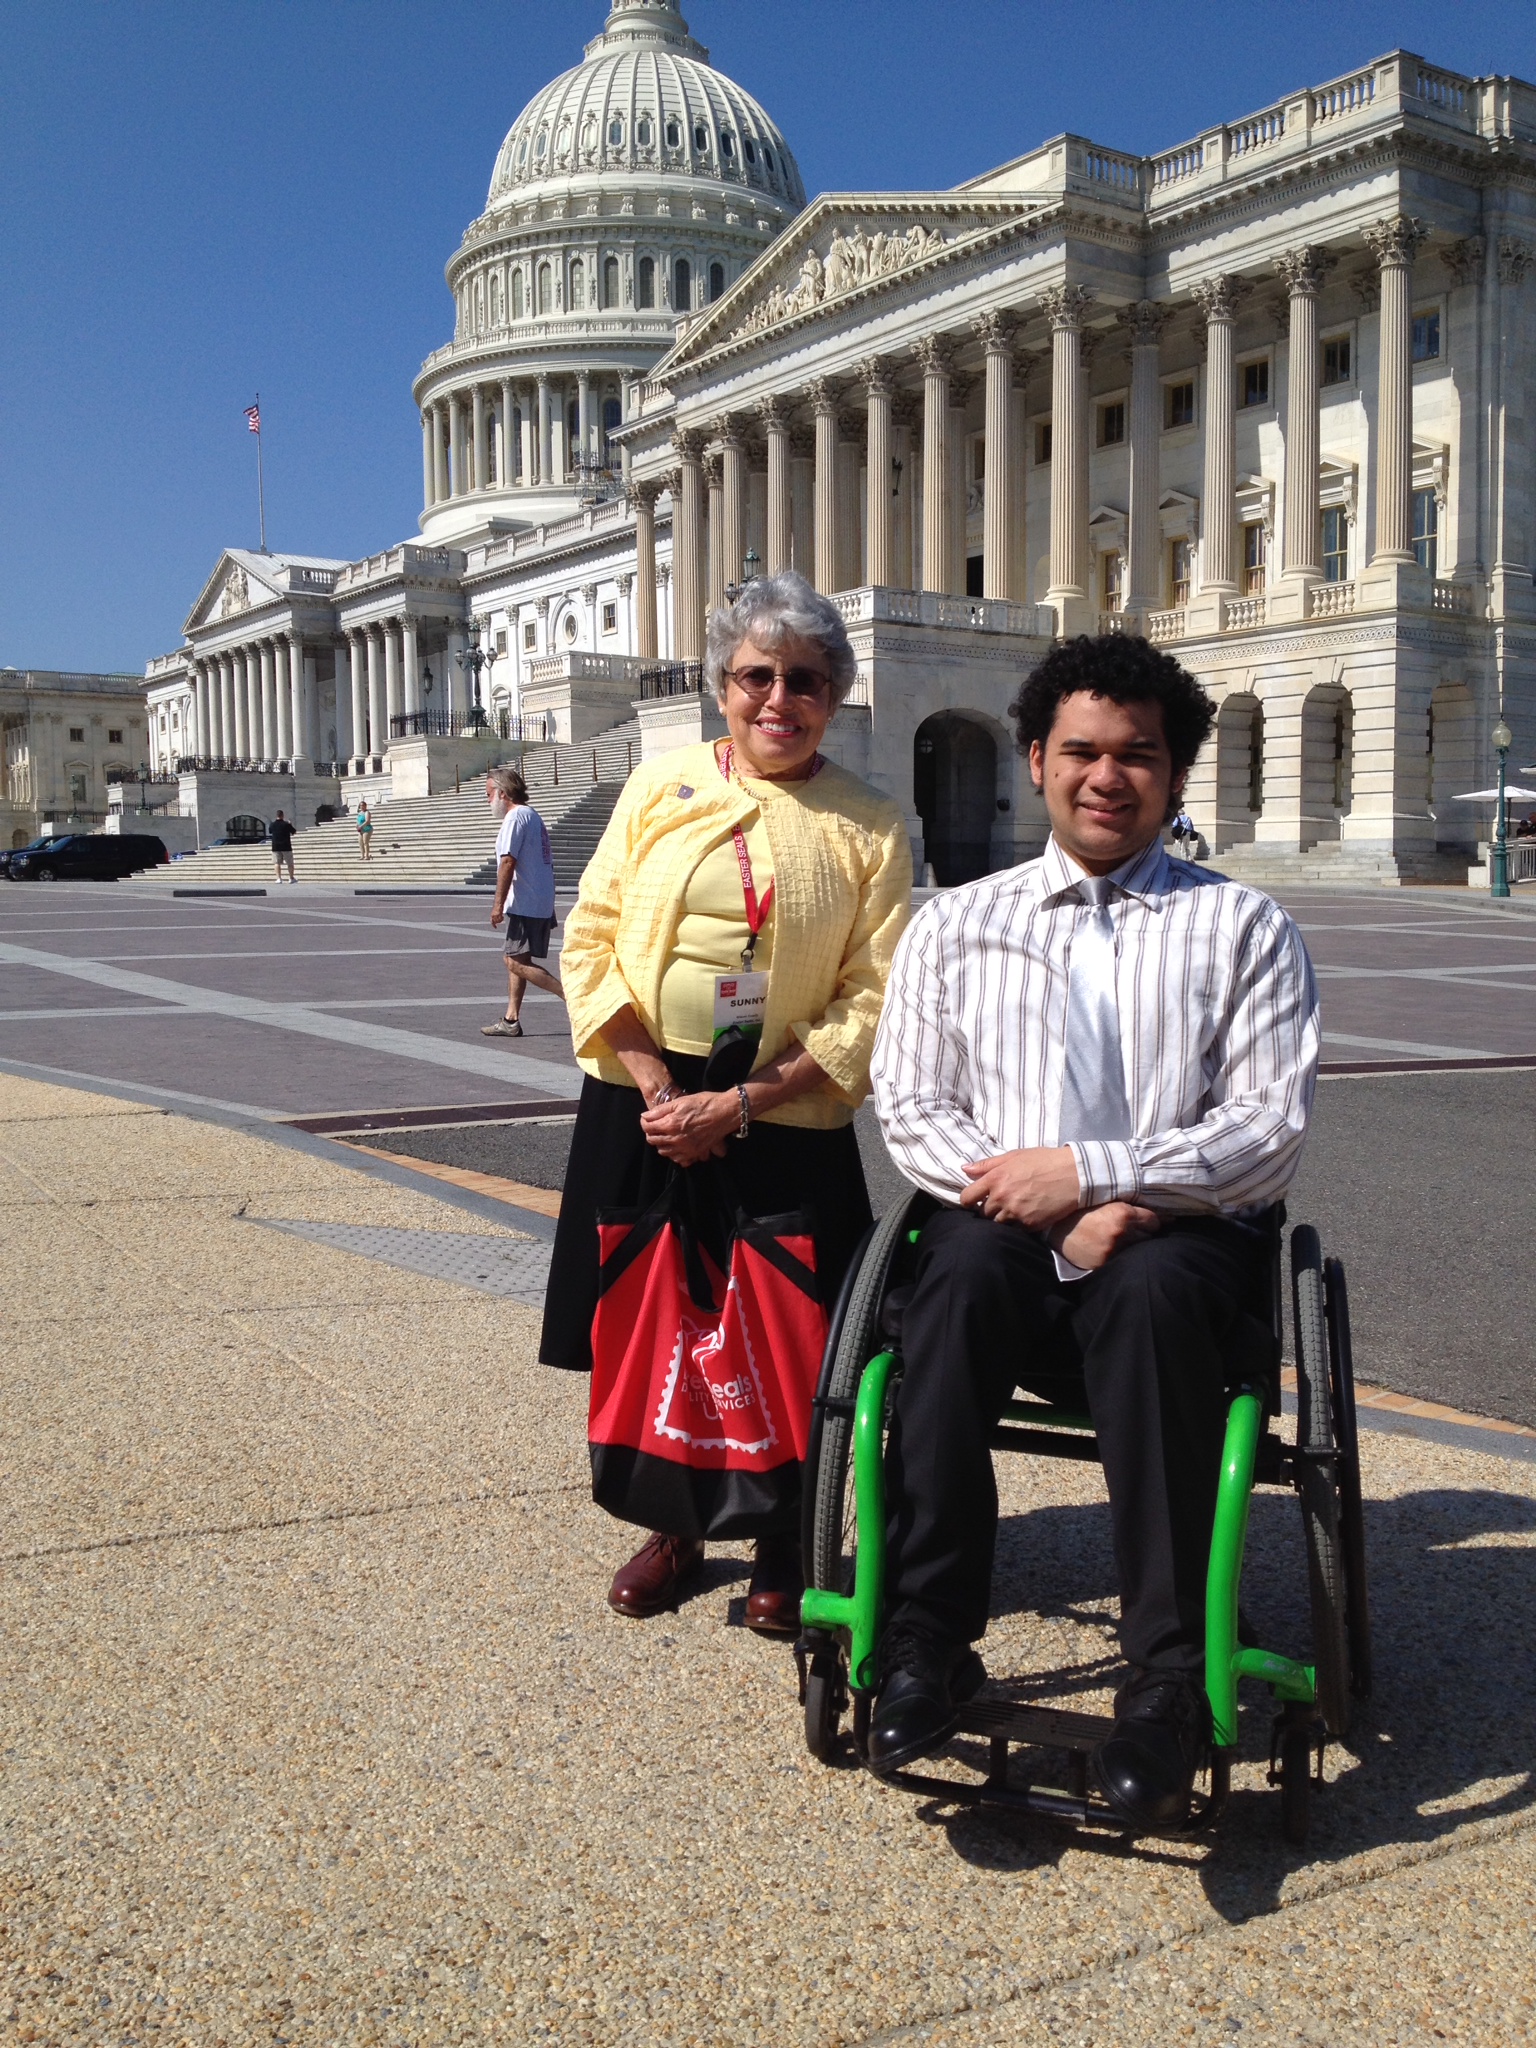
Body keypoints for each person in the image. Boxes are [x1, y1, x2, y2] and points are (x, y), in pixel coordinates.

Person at [868, 633, 1320, 1833]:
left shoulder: (1246, 929)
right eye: (1082, 750)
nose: (1108, 775)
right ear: (1035, 757)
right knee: (951, 1286)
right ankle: (924, 1639)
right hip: (998, 1216)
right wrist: (1048, 1192)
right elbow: (911, 1105)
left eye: (1139, 755)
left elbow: (1267, 1130)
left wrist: (1104, 1173)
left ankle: (1167, 1677)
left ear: (1174, 776)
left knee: (1159, 1296)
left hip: (1176, 1227)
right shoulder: (955, 923)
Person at [546, 570, 912, 1635]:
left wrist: (741, 1103)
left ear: (834, 695)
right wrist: (662, 1087)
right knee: (653, 1326)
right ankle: (674, 1525)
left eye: (804, 679)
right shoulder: (658, 785)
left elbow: (872, 991)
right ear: (721, 684)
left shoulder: (870, 819)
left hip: (781, 1115)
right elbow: (593, 933)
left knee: (786, 1334)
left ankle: (785, 1543)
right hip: (644, 1097)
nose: (778, 699)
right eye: (757, 675)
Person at [482, 766, 564, 1037]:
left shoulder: (515, 818)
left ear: (503, 793)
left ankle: (574, 999)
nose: (487, 799)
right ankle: (511, 1019)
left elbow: (508, 861)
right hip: (536, 899)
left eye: (489, 793)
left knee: (513, 961)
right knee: (519, 958)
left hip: (524, 901)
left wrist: (497, 905)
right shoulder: (532, 815)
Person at [270, 810, 296, 884]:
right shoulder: (286, 824)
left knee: (277, 863)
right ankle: (291, 878)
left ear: (276, 815)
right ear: (282, 815)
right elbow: (294, 832)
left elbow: (270, 831)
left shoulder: (272, 824)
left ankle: (279, 878)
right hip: (286, 846)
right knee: (290, 863)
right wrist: (290, 824)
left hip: (275, 846)